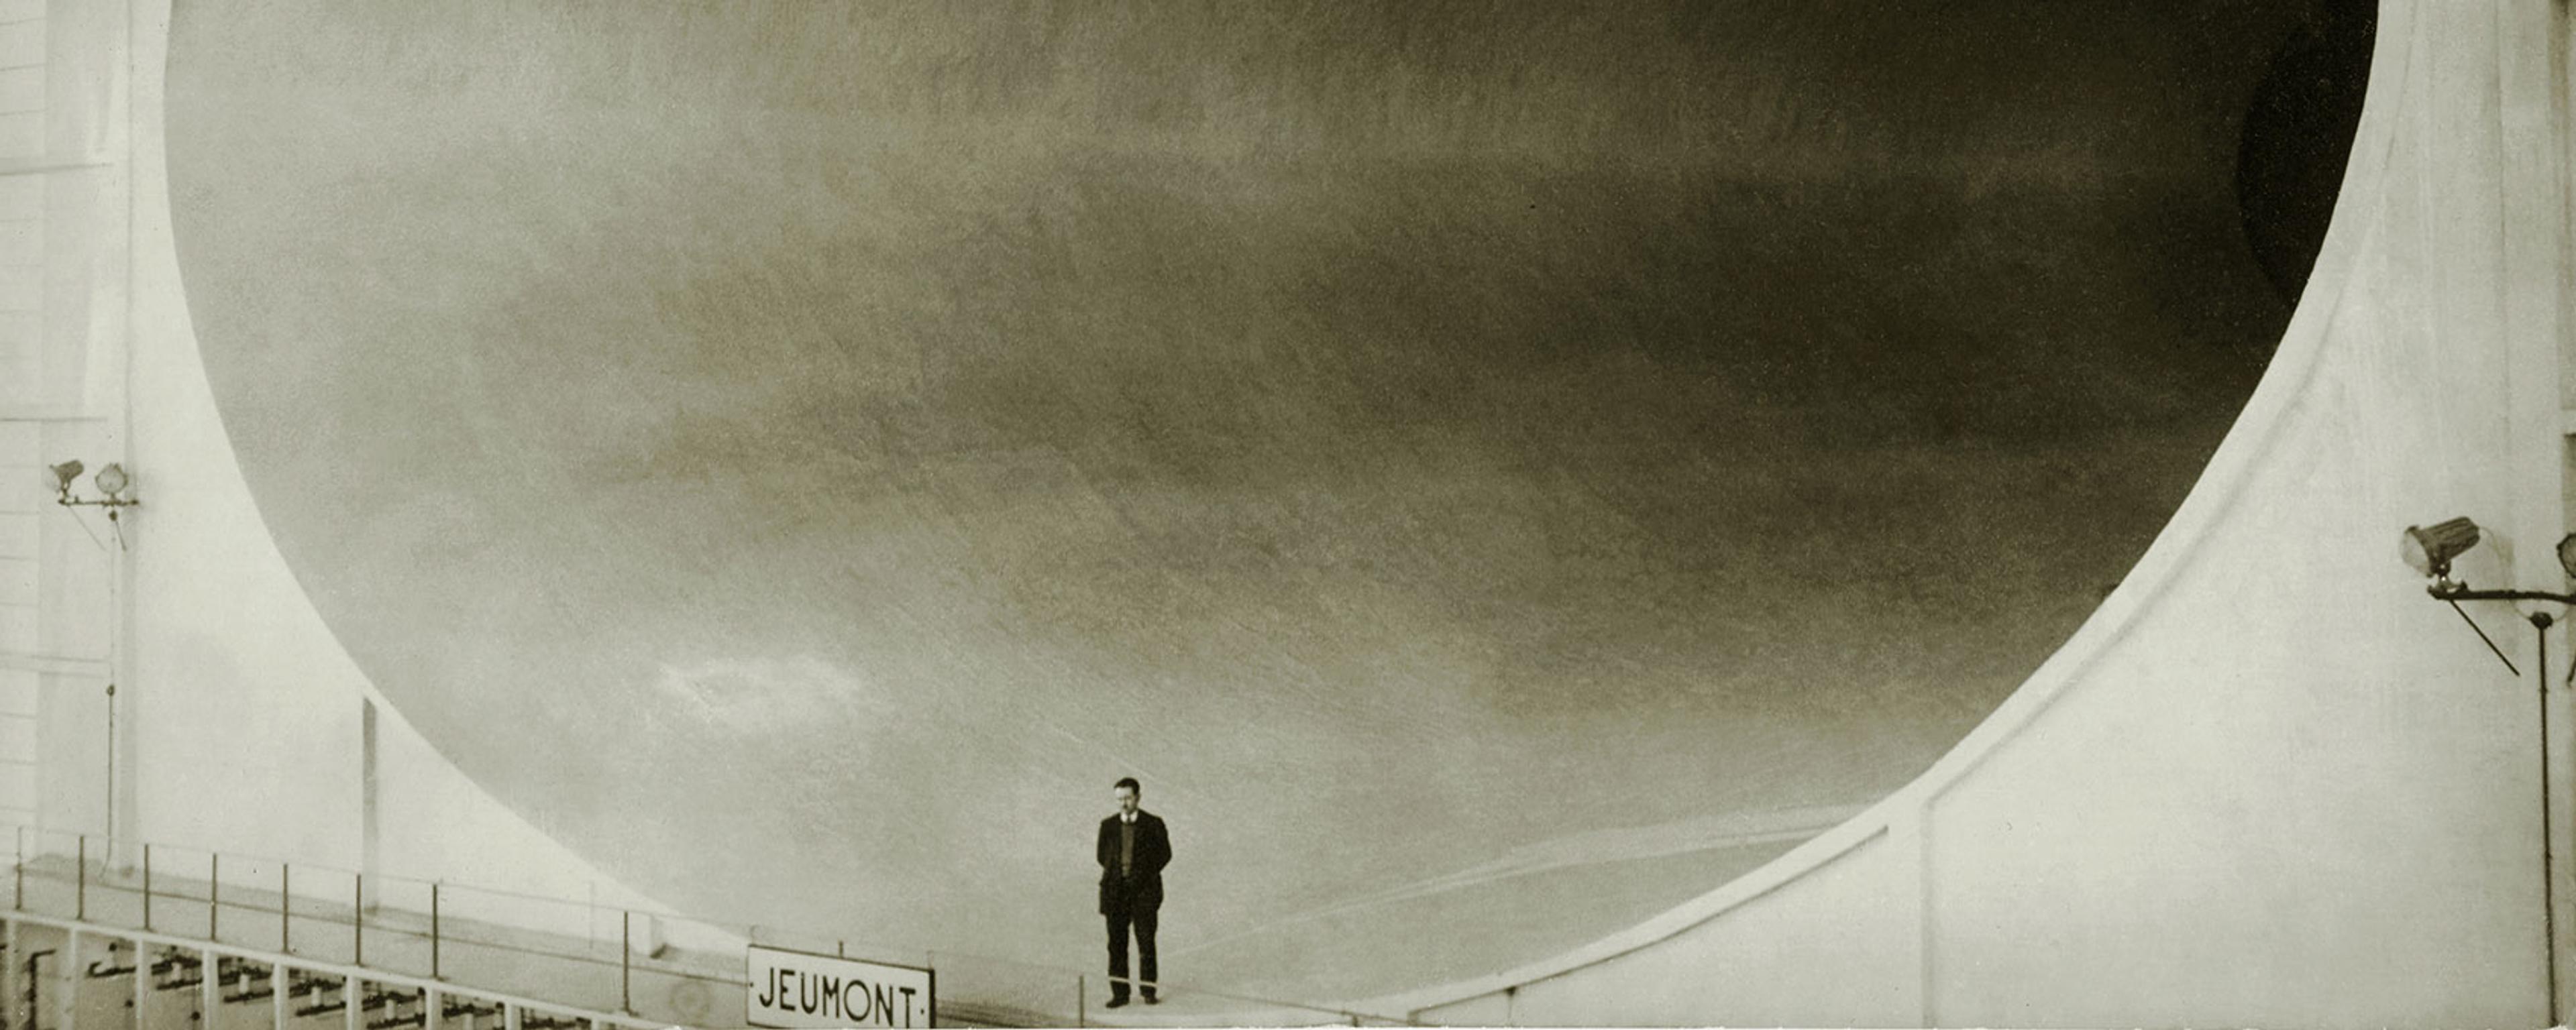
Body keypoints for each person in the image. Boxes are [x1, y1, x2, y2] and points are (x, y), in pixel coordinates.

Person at [1096, 776, 1171, 1007]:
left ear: (1138, 797)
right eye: (1119, 799)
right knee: (1116, 945)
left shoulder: (1154, 824)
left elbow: (1164, 855)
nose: (1123, 804)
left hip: (1144, 895)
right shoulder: (1108, 826)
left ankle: (1148, 992)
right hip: (1115, 895)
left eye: (1128, 798)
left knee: (1146, 943)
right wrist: (1119, 877)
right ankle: (1120, 994)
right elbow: (1102, 857)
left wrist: (1140, 876)